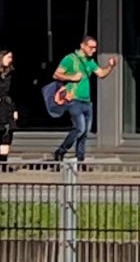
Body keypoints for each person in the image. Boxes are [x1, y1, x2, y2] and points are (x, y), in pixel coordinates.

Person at [50, 33, 117, 166]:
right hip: (73, 100)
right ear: (82, 46)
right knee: (79, 128)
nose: (93, 50)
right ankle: (61, 150)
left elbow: (101, 74)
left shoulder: (90, 61)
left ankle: (80, 158)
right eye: (91, 47)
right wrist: (72, 77)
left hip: (87, 102)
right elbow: (56, 74)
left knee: (85, 132)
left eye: (95, 48)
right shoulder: (70, 59)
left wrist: (110, 66)